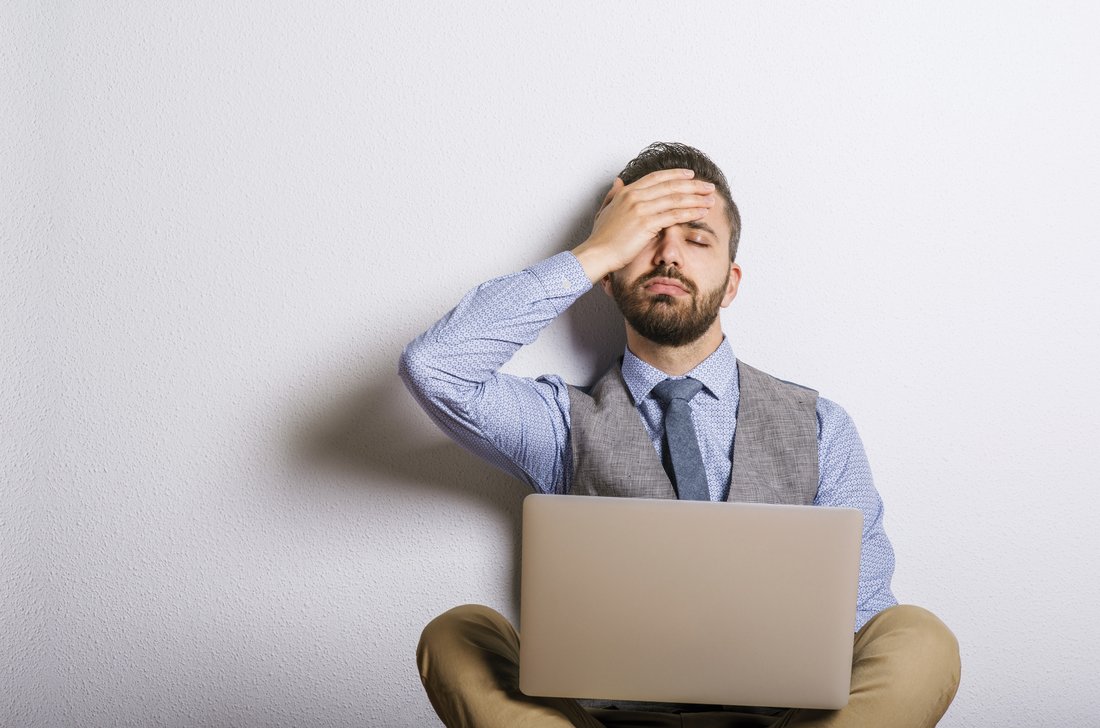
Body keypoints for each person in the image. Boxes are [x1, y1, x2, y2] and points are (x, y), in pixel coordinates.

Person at [399, 142, 960, 727]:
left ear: (732, 281)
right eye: (645, 238)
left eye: (695, 239)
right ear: (610, 279)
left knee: (917, 637)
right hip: (605, 722)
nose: (669, 257)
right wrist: (595, 251)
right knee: (459, 633)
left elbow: (865, 619)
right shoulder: (561, 423)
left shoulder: (820, 426)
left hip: (784, 722)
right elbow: (436, 368)